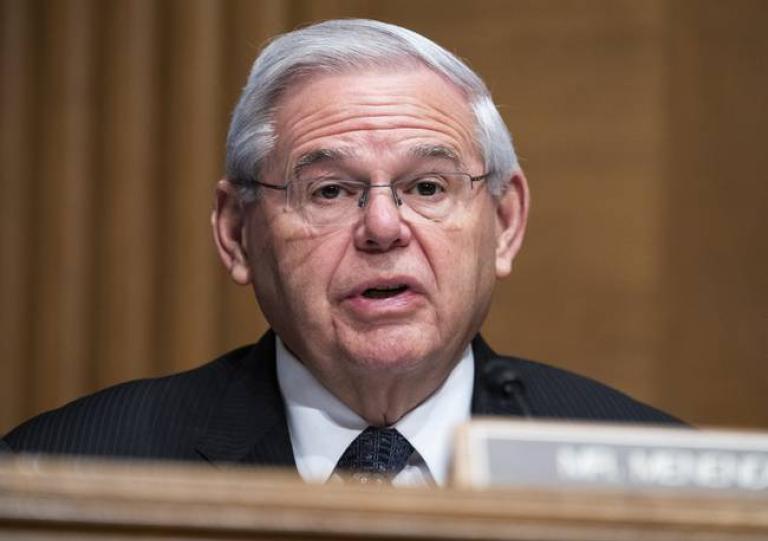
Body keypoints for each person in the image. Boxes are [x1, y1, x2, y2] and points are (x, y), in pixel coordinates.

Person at [1, 19, 679, 485]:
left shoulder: (656, 474)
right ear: (238, 232)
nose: (383, 225)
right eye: (328, 190)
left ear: (504, 222)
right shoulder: (63, 469)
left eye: (427, 185)